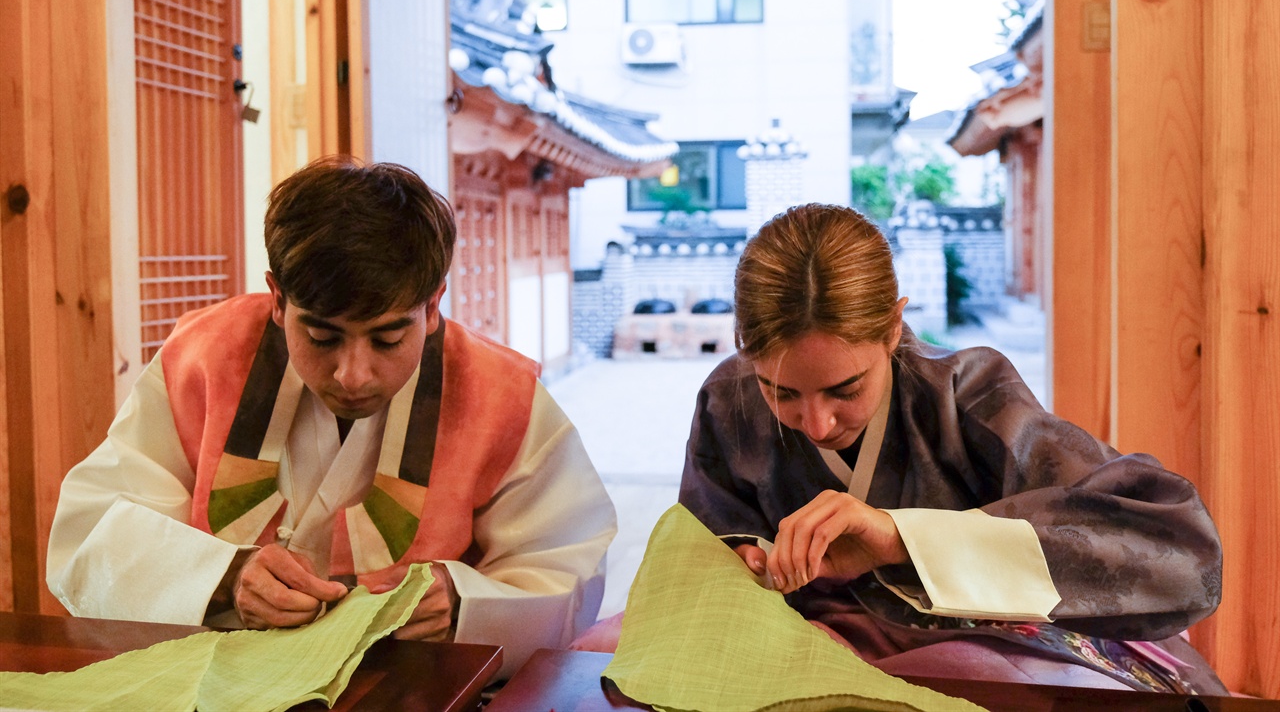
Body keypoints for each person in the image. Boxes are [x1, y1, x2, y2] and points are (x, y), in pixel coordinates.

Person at [47, 158, 616, 677]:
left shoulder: (498, 395)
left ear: (433, 306)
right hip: (219, 678)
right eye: (322, 335)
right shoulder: (203, 360)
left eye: (389, 337)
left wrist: (465, 602)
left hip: (412, 685)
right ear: (277, 299)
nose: (353, 375)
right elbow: (94, 528)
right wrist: (221, 578)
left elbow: (566, 563)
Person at [678, 203, 1226, 694]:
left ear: (893, 327)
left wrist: (901, 540)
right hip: (805, 649)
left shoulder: (968, 392)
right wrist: (741, 561)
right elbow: (709, 537)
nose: (817, 424)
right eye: (783, 393)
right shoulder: (731, 401)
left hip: (991, 650)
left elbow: (1183, 553)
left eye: (845, 389)